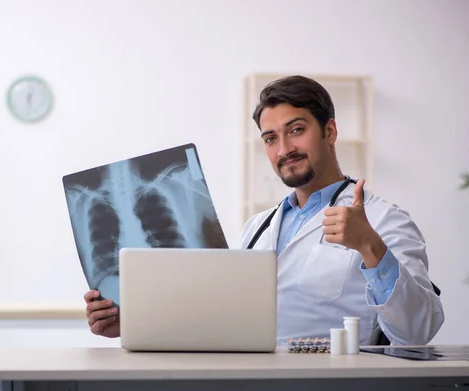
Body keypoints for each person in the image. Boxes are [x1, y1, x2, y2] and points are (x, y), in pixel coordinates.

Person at [84, 75, 444, 346]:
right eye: (271, 138)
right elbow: (222, 319)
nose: (284, 149)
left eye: (297, 130)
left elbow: (418, 330)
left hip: (334, 387)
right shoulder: (258, 227)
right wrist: (131, 323)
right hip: (253, 384)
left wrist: (371, 248)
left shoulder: (383, 220)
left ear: (329, 130)